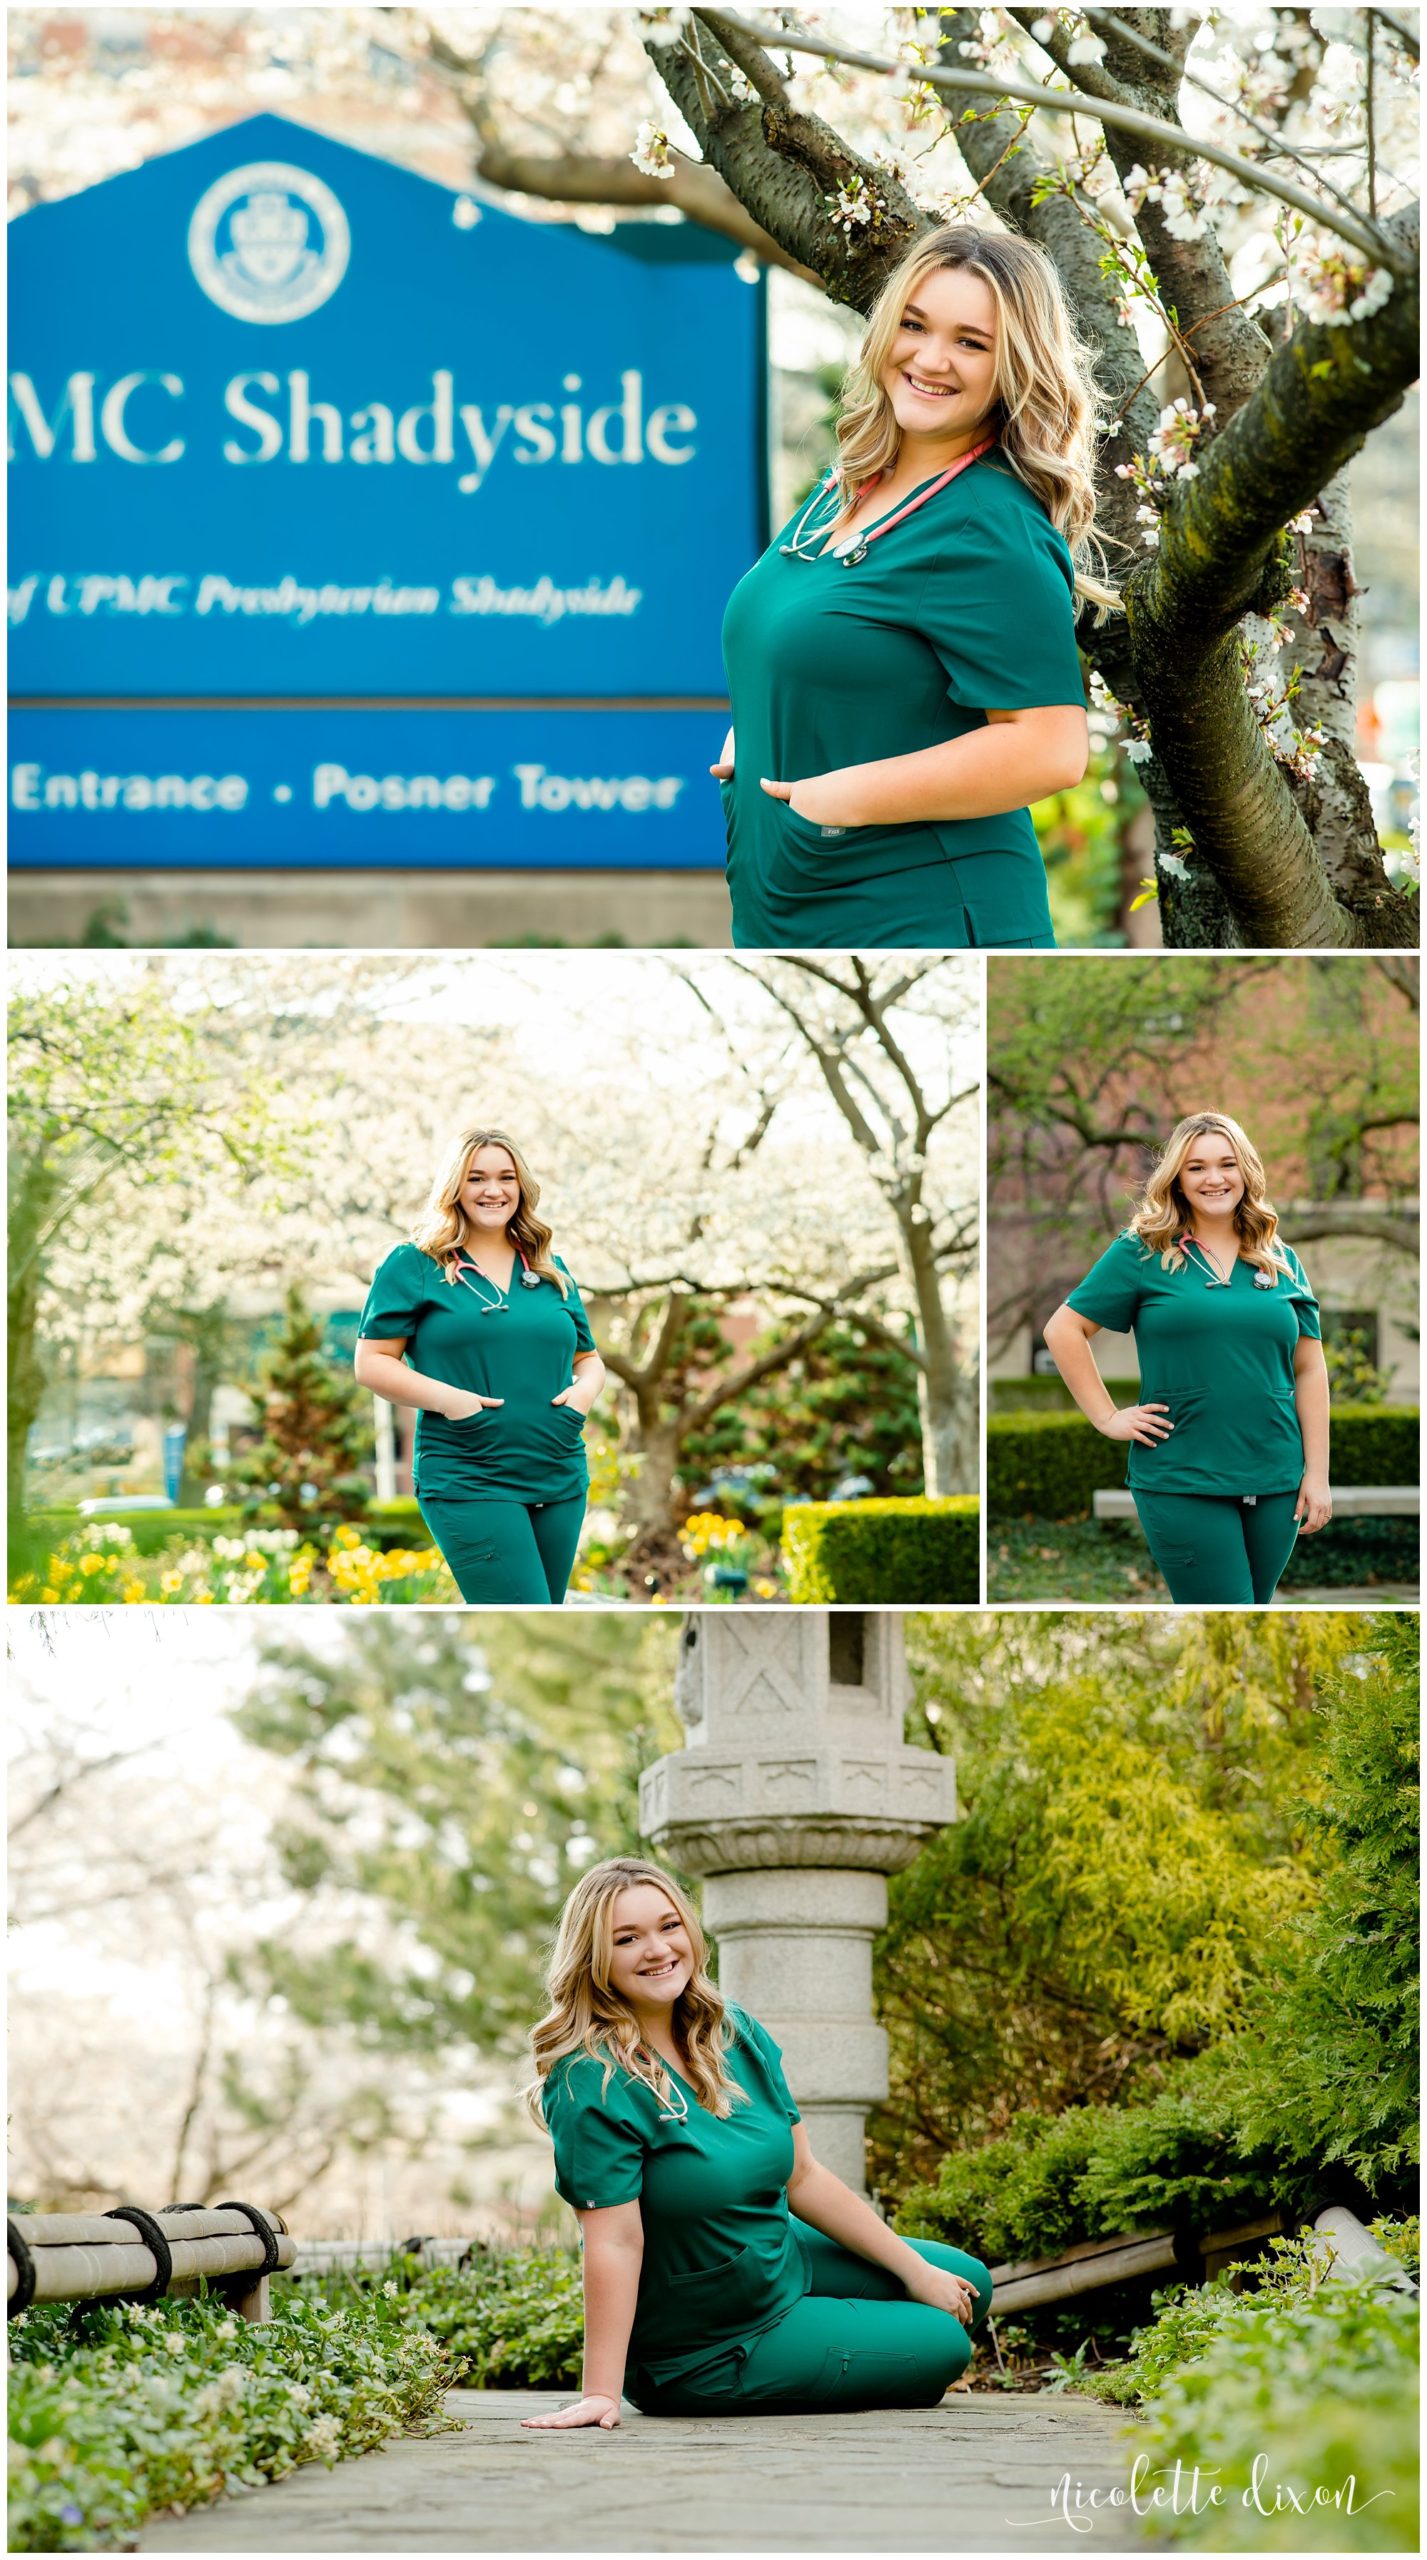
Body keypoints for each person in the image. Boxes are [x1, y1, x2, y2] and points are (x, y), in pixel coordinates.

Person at [715, 223, 1112, 953]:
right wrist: (769, 721)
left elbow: (1048, 750)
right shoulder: (852, 483)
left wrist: (836, 799)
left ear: (1013, 365)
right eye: (914, 325)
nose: (930, 359)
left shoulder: (986, 525)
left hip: (920, 912)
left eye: (970, 342)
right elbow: (822, 642)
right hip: (800, 907)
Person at [521, 1857, 991, 2427]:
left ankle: (831, 2322)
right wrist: (601, 2392)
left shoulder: (730, 2030)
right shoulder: (588, 2080)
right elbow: (614, 2241)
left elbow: (803, 2175)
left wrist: (915, 2272)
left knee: (970, 2284)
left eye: (669, 1926)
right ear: (595, 1958)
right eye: (627, 1938)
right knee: (945, 2342)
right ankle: (808, 2342)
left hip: (776, 2257)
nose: (658, 1949)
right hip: (708, 2345)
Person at [1042, 1112, 1332, 1605]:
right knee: (1226, 1612)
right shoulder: (1142, 1251)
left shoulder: (1279, 1258)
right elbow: (1064, 1328)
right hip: (1182, 1476)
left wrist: (1317, 1475)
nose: (1214, 1178)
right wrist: (1107, 1417)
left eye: (1226, 1164)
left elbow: (1309, 1367)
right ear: (1176, 1177)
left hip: (1277, 1477)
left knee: (1250, 1615)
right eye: (1196, 1167)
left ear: (1246, 1171)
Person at [355, 1128, 605, 1604]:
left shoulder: (550, 1268)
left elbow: (589, 1359)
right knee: (523, 1615)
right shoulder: (414, 1264)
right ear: (455, 1187)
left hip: (558, 1470)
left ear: (521, 1186)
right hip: (470, 1473)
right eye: (477, 1178)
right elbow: (372, 1364)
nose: (494, 1190)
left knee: (546, 1617)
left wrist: (584, 1395)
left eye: (506, 1177)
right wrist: (453, 1402)